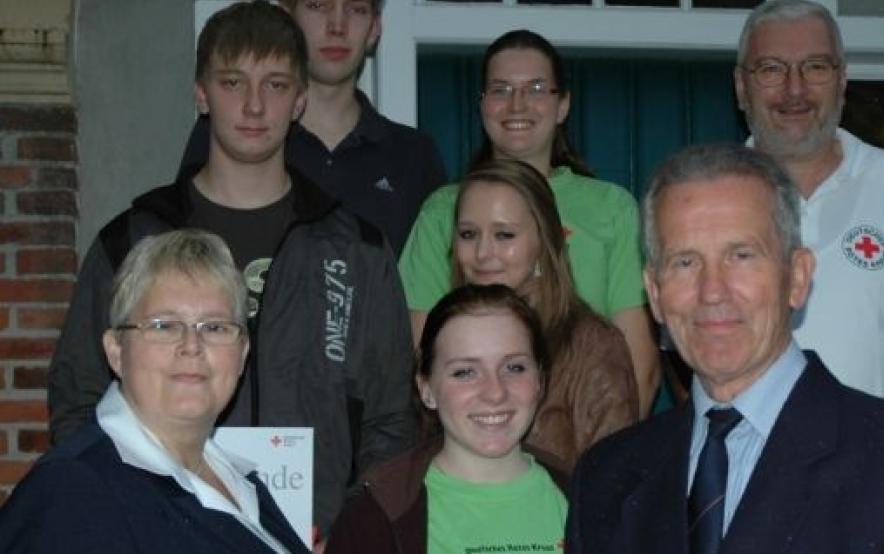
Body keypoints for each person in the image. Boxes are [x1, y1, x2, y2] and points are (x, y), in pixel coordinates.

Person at [47, 1, 415, 533]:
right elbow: (77, 396)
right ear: (201, 94)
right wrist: (126, 511)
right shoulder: (133, 239)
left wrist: (354, 528)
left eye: (275, 85)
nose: (253, 106)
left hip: (314, 535)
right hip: (163, 532)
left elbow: (390, 417)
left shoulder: (356, 248)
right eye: (232, 82)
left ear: (300, 100)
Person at [565, 143, 884, 554]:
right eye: (685, 262)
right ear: (655, 293)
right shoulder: (605, 479)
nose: (712, 292)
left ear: (798, 278)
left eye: (742, 255)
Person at [399, 29, 660, 415]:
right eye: (500, 90)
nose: (517, 105)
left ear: (563, 105)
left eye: (537, 88)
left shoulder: (611, 208)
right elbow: (423, 355)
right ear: (482, 104)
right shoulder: (442, 211)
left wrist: (607, 461)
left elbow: (639, 367)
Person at [0, 230, 308, 553]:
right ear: (116, 351)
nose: (192, 346)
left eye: (215, 327)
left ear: (243, 353)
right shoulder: (74, 491)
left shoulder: (241, 483)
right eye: (164, 325)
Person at [734, 0, 884, 406]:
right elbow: (685, 343)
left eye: (816, 67)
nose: (795, 89)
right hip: (753, 462)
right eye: (772, 69)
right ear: (742, 87)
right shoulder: (710, 200)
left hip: (883, 459)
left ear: (842, 80)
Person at [181, 0, 446, 255]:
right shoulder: (231, 136)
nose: (337, 26)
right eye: (318, 5)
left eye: (356, 8)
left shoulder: (414, 155)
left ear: (375, 27)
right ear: (287, 17)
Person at [326, 284, 569, 554]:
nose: (495, 393)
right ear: (426, 389)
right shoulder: (374, 518)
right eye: (465, 372)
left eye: (514, 367)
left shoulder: (588, 498)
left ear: (540, 381)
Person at [453, 159, 638, 469]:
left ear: (544, 242)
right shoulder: (446, 341)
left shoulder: (593, 347)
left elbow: (614, 483)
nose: (483, 253)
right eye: (469, 234)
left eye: (505, 235)